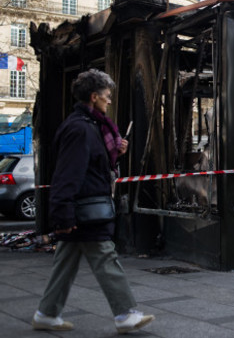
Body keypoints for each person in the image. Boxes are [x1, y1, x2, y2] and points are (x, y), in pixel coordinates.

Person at [32, 69, 154, 334]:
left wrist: (117, 155)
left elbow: (92, 166)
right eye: (107, 96)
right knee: (105, 257)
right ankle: (125, 313)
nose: (109, 101)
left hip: (82, 207)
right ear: (93, 96)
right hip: (86, 209)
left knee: (65, 262)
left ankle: (47, 313)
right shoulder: (80, 128)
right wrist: (63, 215)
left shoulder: (90, 126)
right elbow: (67, 174)